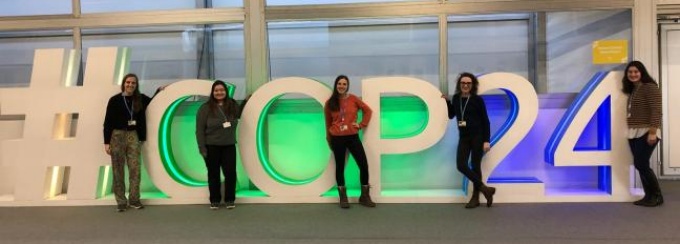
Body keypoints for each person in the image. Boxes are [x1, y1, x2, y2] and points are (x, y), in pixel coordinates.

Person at [103, 73, 155, 212]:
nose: (130, 85)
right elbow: (107, 122)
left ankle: (134, 199)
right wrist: (107, 142)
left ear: (136, 85)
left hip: (133, 135)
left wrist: (161, 90)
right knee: (118, 170)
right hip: (117, 136)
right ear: (123, 84)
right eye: (128, 82)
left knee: (135, 169)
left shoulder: (140, 99)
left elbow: (154, 101)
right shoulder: (114, 100)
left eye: (133, 83)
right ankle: (121, 201)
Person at [445, 72, 496, 208]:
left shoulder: (477, 100)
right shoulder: (456, 98)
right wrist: (447, 101)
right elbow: (451, 115)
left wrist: (486, 140)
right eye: (463, 83)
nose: (465, 85)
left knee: (475, 165)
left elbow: (486, 121)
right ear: (459, 84)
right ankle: (485, 189)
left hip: (478, 137)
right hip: (464, 137)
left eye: (468, 83)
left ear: (472, 85)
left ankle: (475, 198)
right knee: (461, 165)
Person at [324, 75, 375, 209]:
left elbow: (368, 111)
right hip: (337, 139)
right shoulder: (330, 103)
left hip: (352, 137)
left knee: (363, 165)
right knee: (340, 167)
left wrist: (361, 124)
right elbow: (327, 123)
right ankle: (343, 197)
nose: (342, 86)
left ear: (347, 86)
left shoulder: (353, 99)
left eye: (344, 84)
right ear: (336, 85)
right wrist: (329, 140)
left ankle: (364, 196)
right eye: (339, 84)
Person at [196, 80, 246, 210]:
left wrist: (247, 100)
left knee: (230, 173)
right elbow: (199, 130)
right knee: (213, 174)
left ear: (226, 91)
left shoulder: (232, 105)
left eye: (222, 90)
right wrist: (202, 147)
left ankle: (230, 199)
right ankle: (215, 200)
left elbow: (240, 113)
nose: (219, 92)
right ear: (213, 92)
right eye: (216, 90)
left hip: (229, 145)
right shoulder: (205, 108)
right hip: (211, 146)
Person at [622, 61, 663, 207]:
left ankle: (657, 196)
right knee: (640, 164)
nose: (633, 74)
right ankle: (649, 196)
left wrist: (652, 132)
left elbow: (656, 110)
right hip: (634, 132)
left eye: (636, 72)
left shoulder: (649, 87)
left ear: (642, 72)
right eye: (630, 72)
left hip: (647, 131)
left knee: (641, 164)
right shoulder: (634, 89)